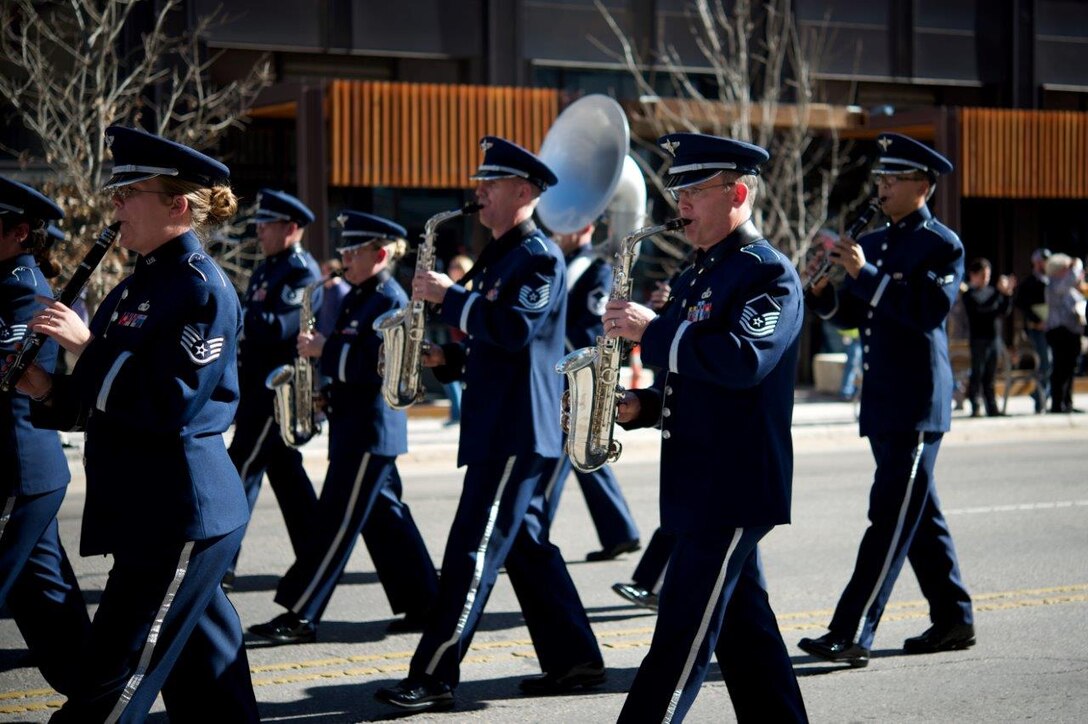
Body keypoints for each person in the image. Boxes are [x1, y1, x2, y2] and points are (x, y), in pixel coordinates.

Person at [15, 126, 258, 721]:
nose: (114, 204)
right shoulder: (135, 283)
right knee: (211, 690)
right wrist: (44, 387)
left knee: (111, 680)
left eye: (129, 191)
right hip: (147, 506)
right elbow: (104, 402)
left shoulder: (203, 288)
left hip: (179, 509)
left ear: (177, 204)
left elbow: (169, 402)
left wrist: (86, 345)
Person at [375, 136, 603, 713]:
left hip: (517, 428)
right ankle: (575, 659)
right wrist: (445, 359)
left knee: (470, 551)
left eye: (491, 184)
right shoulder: (501, 253)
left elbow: (514, 330)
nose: (479, 192)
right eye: (481, 183)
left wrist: (451, 299)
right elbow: (497, 348)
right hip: (499, 422)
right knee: (525, 546)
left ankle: (433, 675)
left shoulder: (539, 257)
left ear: (523, 192)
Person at [604, 132, 807, 723]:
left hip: (734, 485)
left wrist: (652, 331)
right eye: (677, 188)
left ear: (738, 191)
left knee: (679, 643)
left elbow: (742, 359)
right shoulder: (697, 274)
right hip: (699, 481)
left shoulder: (768, 274)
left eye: (694, 189)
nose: (680, 201)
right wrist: (639, 407)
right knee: (749, 640)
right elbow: (691, 381)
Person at [799, 132, 975, 668]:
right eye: (881, 178)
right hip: (881, 402)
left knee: (888, 518)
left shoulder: (941, 245)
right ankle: (953, 618)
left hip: (919, 403)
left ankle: (851, 631)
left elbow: (924, 312)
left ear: (924, 185)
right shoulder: (872, 244)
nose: (883, 187)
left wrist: (864, 275)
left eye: (894, 179)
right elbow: (855, 319)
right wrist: (825, 293)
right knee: (917, 517)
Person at [247, 211, 439, 644]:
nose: (344, 257)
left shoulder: (389, 298)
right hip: (355, 424)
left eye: (354, 250)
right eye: (345, 249)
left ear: (381, 253)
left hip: (371, 430)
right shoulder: (359, 294)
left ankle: (300, 612)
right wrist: (324, 395)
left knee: (334, 520)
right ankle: (426, 602)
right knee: (386, 517)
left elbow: (381, 363)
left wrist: (323, 349)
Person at [0, 177, 90, 696]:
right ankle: (98, 700)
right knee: (47, 605)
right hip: (23, 472)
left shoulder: (23, 287)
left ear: (17, 232)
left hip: (17, 469)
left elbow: (10, 369)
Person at [226, 188, 322, 589]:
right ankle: (318, 555)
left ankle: (219, 562)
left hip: (274, 395)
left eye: (268, 224)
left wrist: (233, 306)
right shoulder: (270, 267)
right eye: (260, 223)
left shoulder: (300, 271)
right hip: (257, 389)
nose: (260, 231)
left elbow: (278, 326)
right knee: (287, 477)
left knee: (239, 470)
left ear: (292, 227)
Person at [542, 221, 640, 561]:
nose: (559, 228)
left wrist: (548, 338)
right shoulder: (557, 265)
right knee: (585, 453)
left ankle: (530, 534)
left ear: (587, 225)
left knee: (560, 452)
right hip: (556, 376)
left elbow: (592, 327)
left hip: (577, 375)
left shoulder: (597, 270)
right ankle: (620, 532)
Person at [962, 258, 1016, 417]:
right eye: (982, 275)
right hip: (978, 339)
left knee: (991, 375)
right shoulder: (969, 294)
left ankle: (992, 408)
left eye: (988, 275)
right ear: (973, 275)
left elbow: (1002, 311)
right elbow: (982, 311)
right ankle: (975, 405)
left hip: (994, 338)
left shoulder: (992, 292)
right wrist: (1000, 292)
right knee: (977, 373)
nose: (986, 278)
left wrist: (1007, 294)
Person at [1044, 253, 1086, 414]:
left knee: (1070, 368)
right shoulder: (1054, 284)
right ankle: (1057, 403)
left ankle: (1067, 402)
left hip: (1073, 331)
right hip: (1059, 331)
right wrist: (1076, 266)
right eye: (1066, 268)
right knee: (1060, 368)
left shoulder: (1069, 288)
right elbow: (1070, 279)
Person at [1014, 248, 1052, 413]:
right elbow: (1020, 303)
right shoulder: (1029, 282)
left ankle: (1040, 395)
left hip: (1052, 327)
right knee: (1045, 362)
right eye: (1042, 261)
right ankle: (1040, 399)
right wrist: (1036, 320)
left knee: (1052, 363)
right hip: (1036, 329)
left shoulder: (1052, 280)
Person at [440, 254, 473, 426]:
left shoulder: (468, 292)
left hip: (468, 344)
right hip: (456, 341)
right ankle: (457, 414)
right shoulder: (452, 291)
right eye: (451, 266)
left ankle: (459, 414)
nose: (452, 270)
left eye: (456, 266)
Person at [316, 257, 351, 337]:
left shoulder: (342, 291)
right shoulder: (328, 289)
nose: (322, 275)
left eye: (324, 272)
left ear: (334, 272)